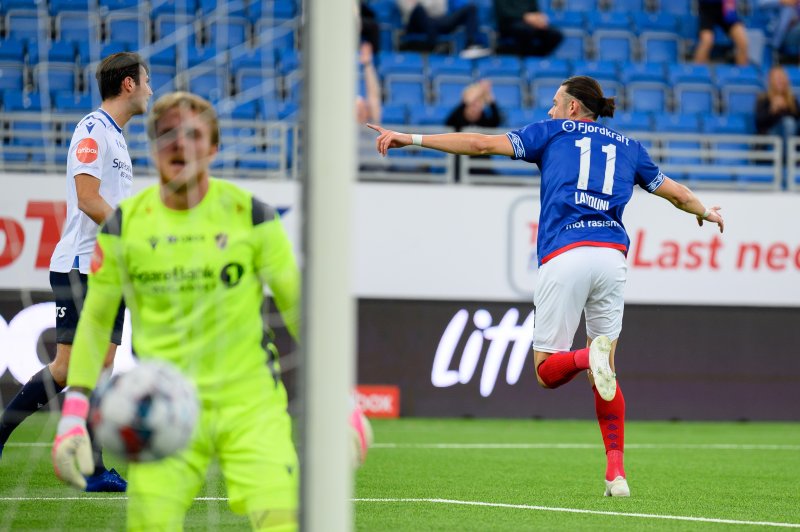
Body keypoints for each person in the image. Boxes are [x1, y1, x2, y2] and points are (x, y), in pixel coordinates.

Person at [368, 76, 725, 497]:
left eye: (556, 103)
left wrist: (412, 138)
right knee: (605, 370)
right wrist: (706, 210)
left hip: (567, 255)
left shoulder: (553, 132)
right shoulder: (630, 148)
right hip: (612, 260)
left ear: (573, 108)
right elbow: (678, 195)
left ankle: (584, 357)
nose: (550, 110)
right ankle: (617, 474)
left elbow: (480, 145)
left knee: (547, 372)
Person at [51, 92, 301, 530]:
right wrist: (74, 412)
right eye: (167, 134)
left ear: (213, 148)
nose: (178, 143)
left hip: (251, 407)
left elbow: (302, 313)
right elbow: (94, 322)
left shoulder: (254, 217)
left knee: (281, 519)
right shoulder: (124, 226)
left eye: (193, 134)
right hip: (163, 410)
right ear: (152, 149)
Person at [0, 52, 151, 492]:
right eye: (146, 80)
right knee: (67, 368)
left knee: (102, 363)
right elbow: (87, 198)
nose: (150, 89)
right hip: (80, 266)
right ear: (128, 85)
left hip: (108, 269)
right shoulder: (93, 130)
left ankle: (94, 466)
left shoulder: (118, 138)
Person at [445, 79, 501, 179]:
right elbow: (448, 122)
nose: (475, 107)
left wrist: (489, 98)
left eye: (479, 102)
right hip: (459, 170)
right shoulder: (458, 118)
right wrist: (467, 100)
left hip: (483, 169)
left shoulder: (485, 120)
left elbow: (497, 119)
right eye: (472, 103)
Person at [396, 0, 491, 58]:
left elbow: (441, 10)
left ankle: (471, 45)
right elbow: (409, 10)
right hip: (415, 25)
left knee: (470, 8)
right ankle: (435, 46)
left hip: (436, 22)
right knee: (419, 10)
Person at [493, 0, 563, 57]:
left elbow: (535, 11)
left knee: (555, 34)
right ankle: (515, 55)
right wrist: (525, 17)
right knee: (526, 31)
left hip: (530, 24)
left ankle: (537, 56)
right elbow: (504, 13)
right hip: (510, 23)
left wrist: (540, 19)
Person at [693, 0, 749, 66]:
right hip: (707, 9)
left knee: (742, 41)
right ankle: (697, 73)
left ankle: (741, 73)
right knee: (706, 41)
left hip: (726, 7)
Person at [356, 41, 382, 125]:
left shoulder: (372, 125)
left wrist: (367, 64)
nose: (361, 110)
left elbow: (373, 95)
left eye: (364, 107)